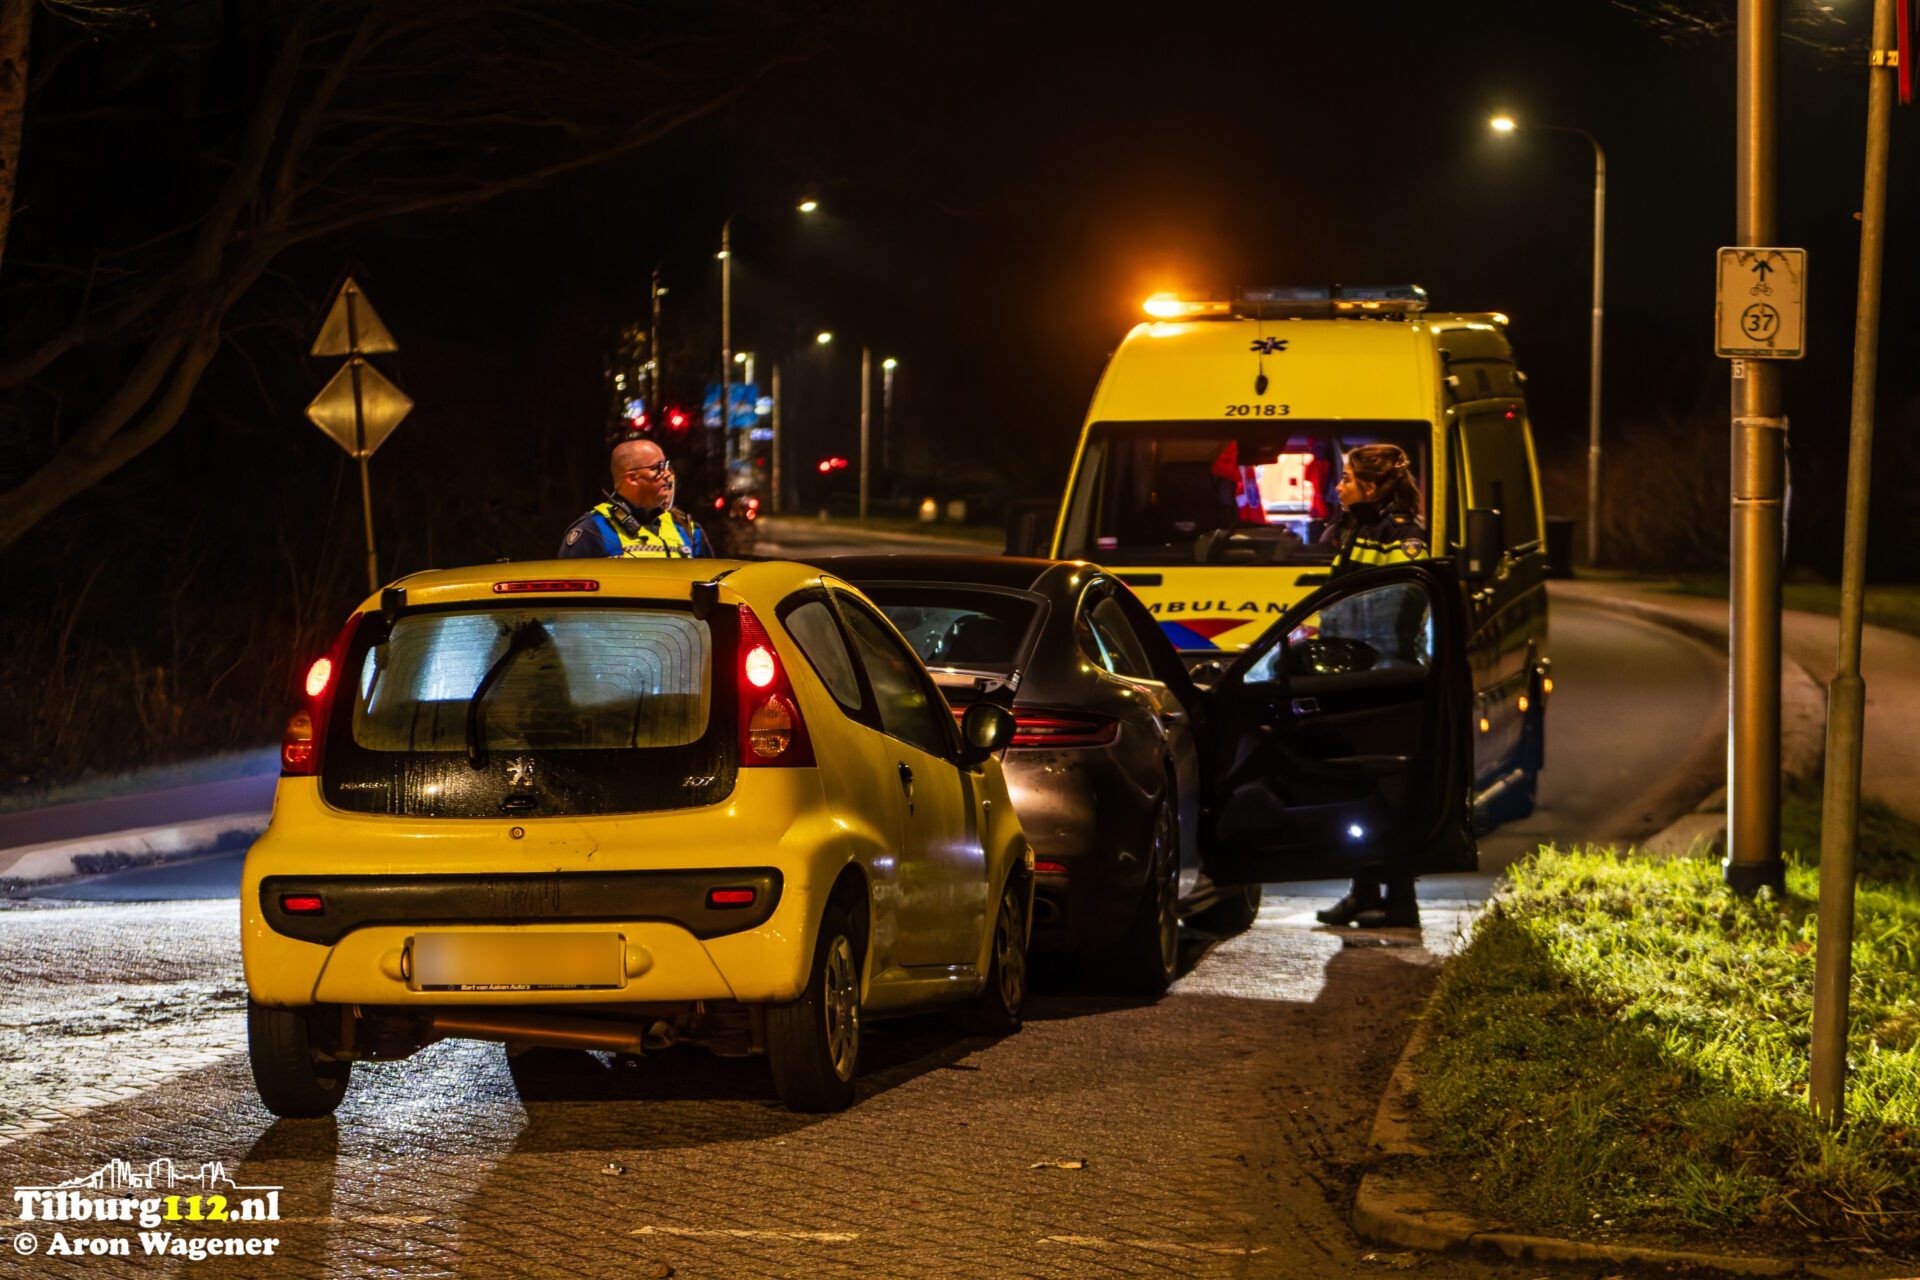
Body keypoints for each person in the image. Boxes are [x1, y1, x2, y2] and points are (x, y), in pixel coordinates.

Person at [1314, 442, 1427, 929]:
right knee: (1358, 792)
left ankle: (1400, 901)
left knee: (1387, 797)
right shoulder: (1358, 526)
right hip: (1355, 680)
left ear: (1375, 486)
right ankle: (1363, 891)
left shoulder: (1402, 536)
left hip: (1384, 681)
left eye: (1346, 479)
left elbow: (1393, 610)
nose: (1337, 486)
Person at [558, 435, 712, 559]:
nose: (667, 474)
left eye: (666, 466)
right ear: (632, 478)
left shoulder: (688, 530)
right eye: (657, 468)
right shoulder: (593, 531)